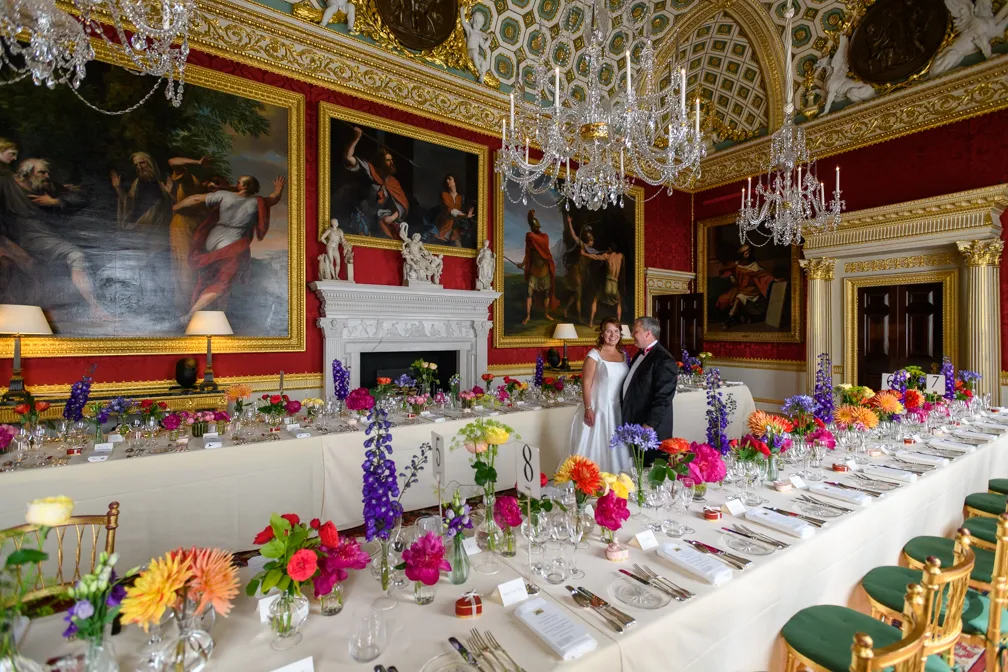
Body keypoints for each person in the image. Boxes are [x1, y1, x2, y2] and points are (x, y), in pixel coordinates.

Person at [0, 158, 110, 319]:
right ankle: (95, 307)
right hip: (22, 237)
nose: (47, 175)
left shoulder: (46, 186)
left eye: (48, 172)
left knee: (85, 254)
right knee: (76, 256)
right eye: (42, 172)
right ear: (27, 173)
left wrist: (55, 201)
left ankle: (91, 307)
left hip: (47, 236)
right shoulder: (5, 185)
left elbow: (81, 199)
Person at [174, 174, 286, 325]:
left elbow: (195, 199)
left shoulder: (224, 195)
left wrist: (176, 206)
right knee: (223, 282)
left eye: (239, 182)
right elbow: (273, 199)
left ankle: (208, 313)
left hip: (212, 239)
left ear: (244, 186)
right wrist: (278, 189)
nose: (236, 183)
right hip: (230, 244)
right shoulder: (256, 202)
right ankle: (192, 314)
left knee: (209, 276)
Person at [569, 318, 631, 473]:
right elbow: (586, 383)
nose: (612, 335)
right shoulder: (594, 354)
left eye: (616, 331)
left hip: (618, 408)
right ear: (602, 334)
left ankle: (617, 476)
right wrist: (588, 408)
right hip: (599, 407)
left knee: (617, 444)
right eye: (608, 331)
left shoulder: (623, 355)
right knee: (597, 443)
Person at [621, 315, 678, 465]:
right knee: (639, 468)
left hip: (651, 429)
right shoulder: (640, 354)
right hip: (637, 423)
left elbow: (664, 398)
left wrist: (649, 424)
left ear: (648, 333)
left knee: (651, 471)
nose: (633, 334)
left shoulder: (664, 359)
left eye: (636, 331)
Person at [344, 126, 409, 239]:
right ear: (381, 162)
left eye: (392, 160)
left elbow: (403, 204)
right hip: (364, 214)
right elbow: (349, 157)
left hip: (381, 218)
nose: (391, 162)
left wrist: (393, 217)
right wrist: (356, 139)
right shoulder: (371, 171)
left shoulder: (393, 182)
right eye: (388, 160)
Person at [715, 243, 775, 328]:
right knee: (723, 299)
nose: (747, 253)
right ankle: (739, 317)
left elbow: (763, 274)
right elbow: (726, 270)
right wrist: (731, 276)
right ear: (741, 253)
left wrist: (773, 279)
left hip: (752, 291)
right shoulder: (737, 264)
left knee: (738, 298)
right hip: (739, 288)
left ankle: (729, 320)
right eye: (745, 251)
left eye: (749, 251)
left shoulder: (754, 265)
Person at [515, 209, 559, 324]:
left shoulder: (544, 237)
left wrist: (530, 232)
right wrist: (522, 264)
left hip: (544, 271)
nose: (537, 229)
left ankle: (546, 313)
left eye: (537, 227)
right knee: (529, 294)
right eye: (535, 228)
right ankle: (528, 316)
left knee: (546, 294)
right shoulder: (530, 240)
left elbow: (539, 240)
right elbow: (528, 255)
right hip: (534, 271)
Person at [434, 173, 473, 245]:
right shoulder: (444, 194)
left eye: (449, 179)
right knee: (440, 243)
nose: (447, 181)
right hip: (445, 223)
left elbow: (460, 210)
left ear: (455, 181)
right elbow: (451, 210)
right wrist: (465, 215)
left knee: (458, 244)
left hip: (455, 225)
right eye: (446, 179)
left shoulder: (459, 197)